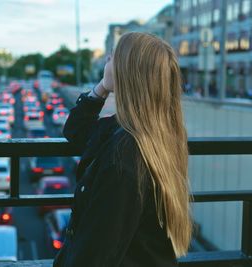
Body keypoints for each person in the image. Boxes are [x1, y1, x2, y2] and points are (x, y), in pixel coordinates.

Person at [53, 32, 192, 267]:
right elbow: (75, 132)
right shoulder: (148, 133)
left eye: (114, 56)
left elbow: (95, 254)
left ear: (127, 74)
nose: (108, 59)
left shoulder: (124, 156)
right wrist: (101, 88)